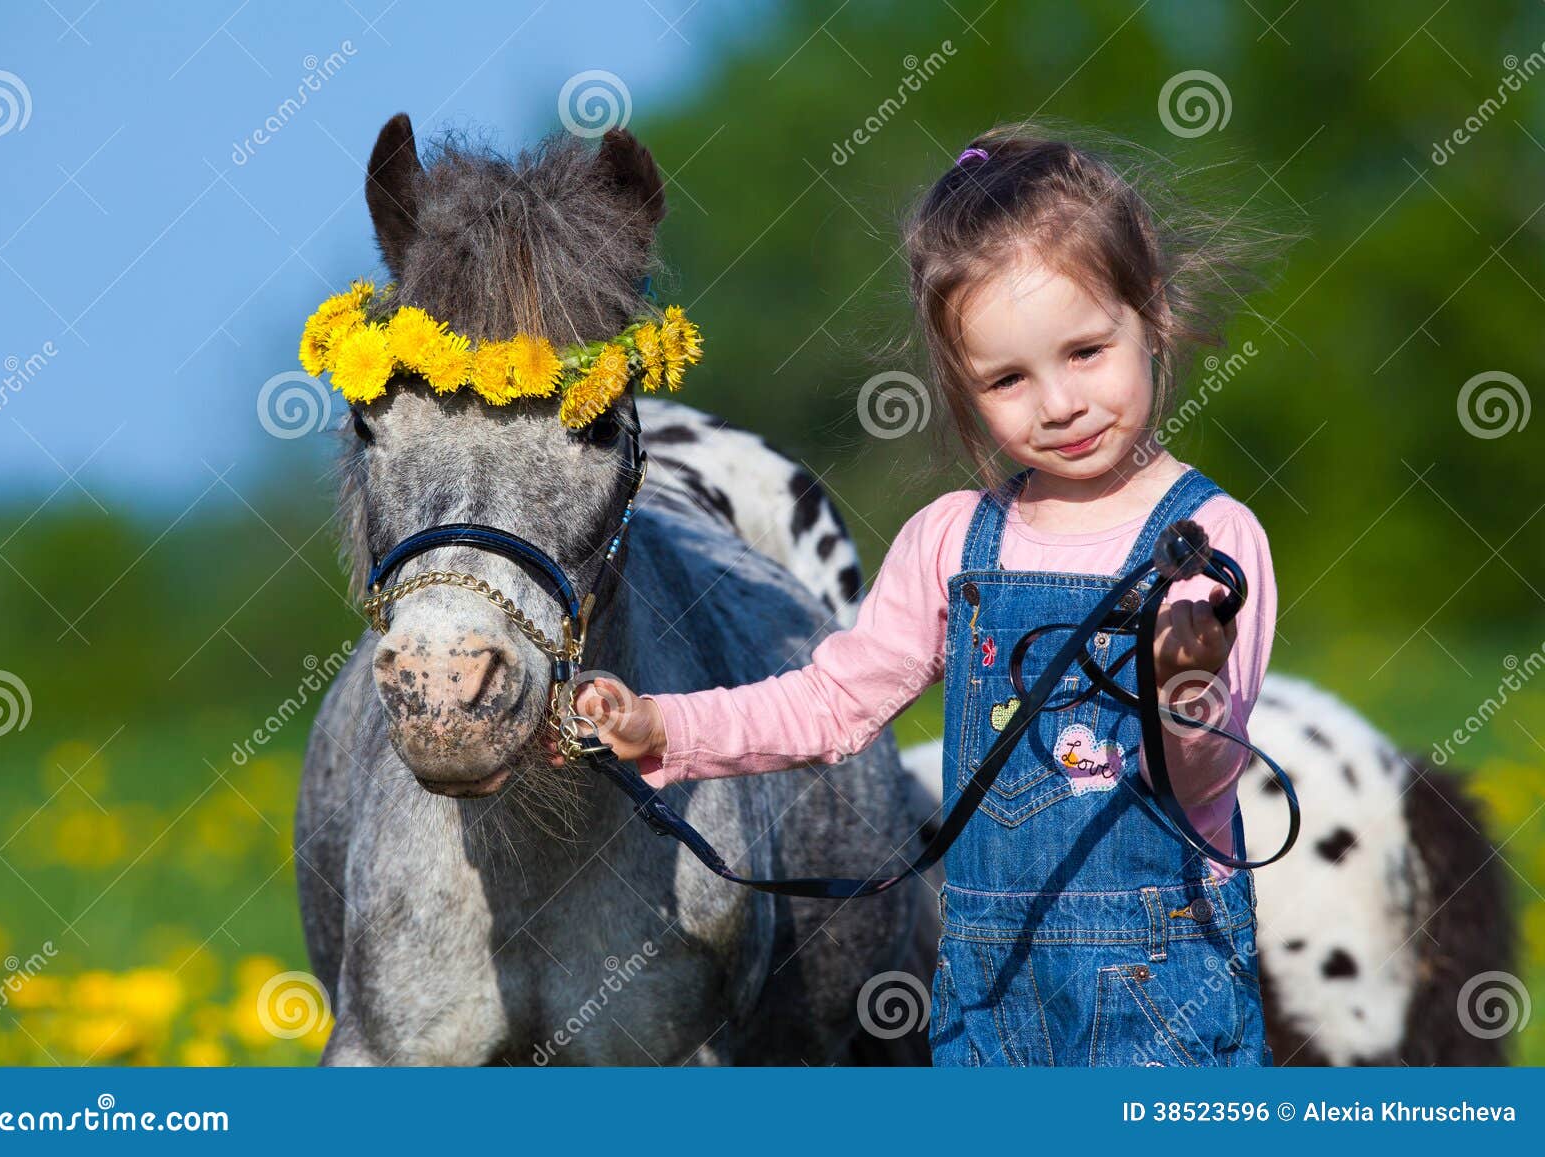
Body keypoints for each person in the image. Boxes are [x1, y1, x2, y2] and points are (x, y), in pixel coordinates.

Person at [549, 123, 1292, 1067]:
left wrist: (1186, 693)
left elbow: (1200, 791)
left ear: (1149, 315)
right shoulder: (952, 541)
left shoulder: (1211, 542)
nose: (1058, 402)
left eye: (1086, 351)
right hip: (987, 989)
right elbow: (830, 702)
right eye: (1008, 378)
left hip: (1161, 983)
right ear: (961, 385)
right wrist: (665, 727)